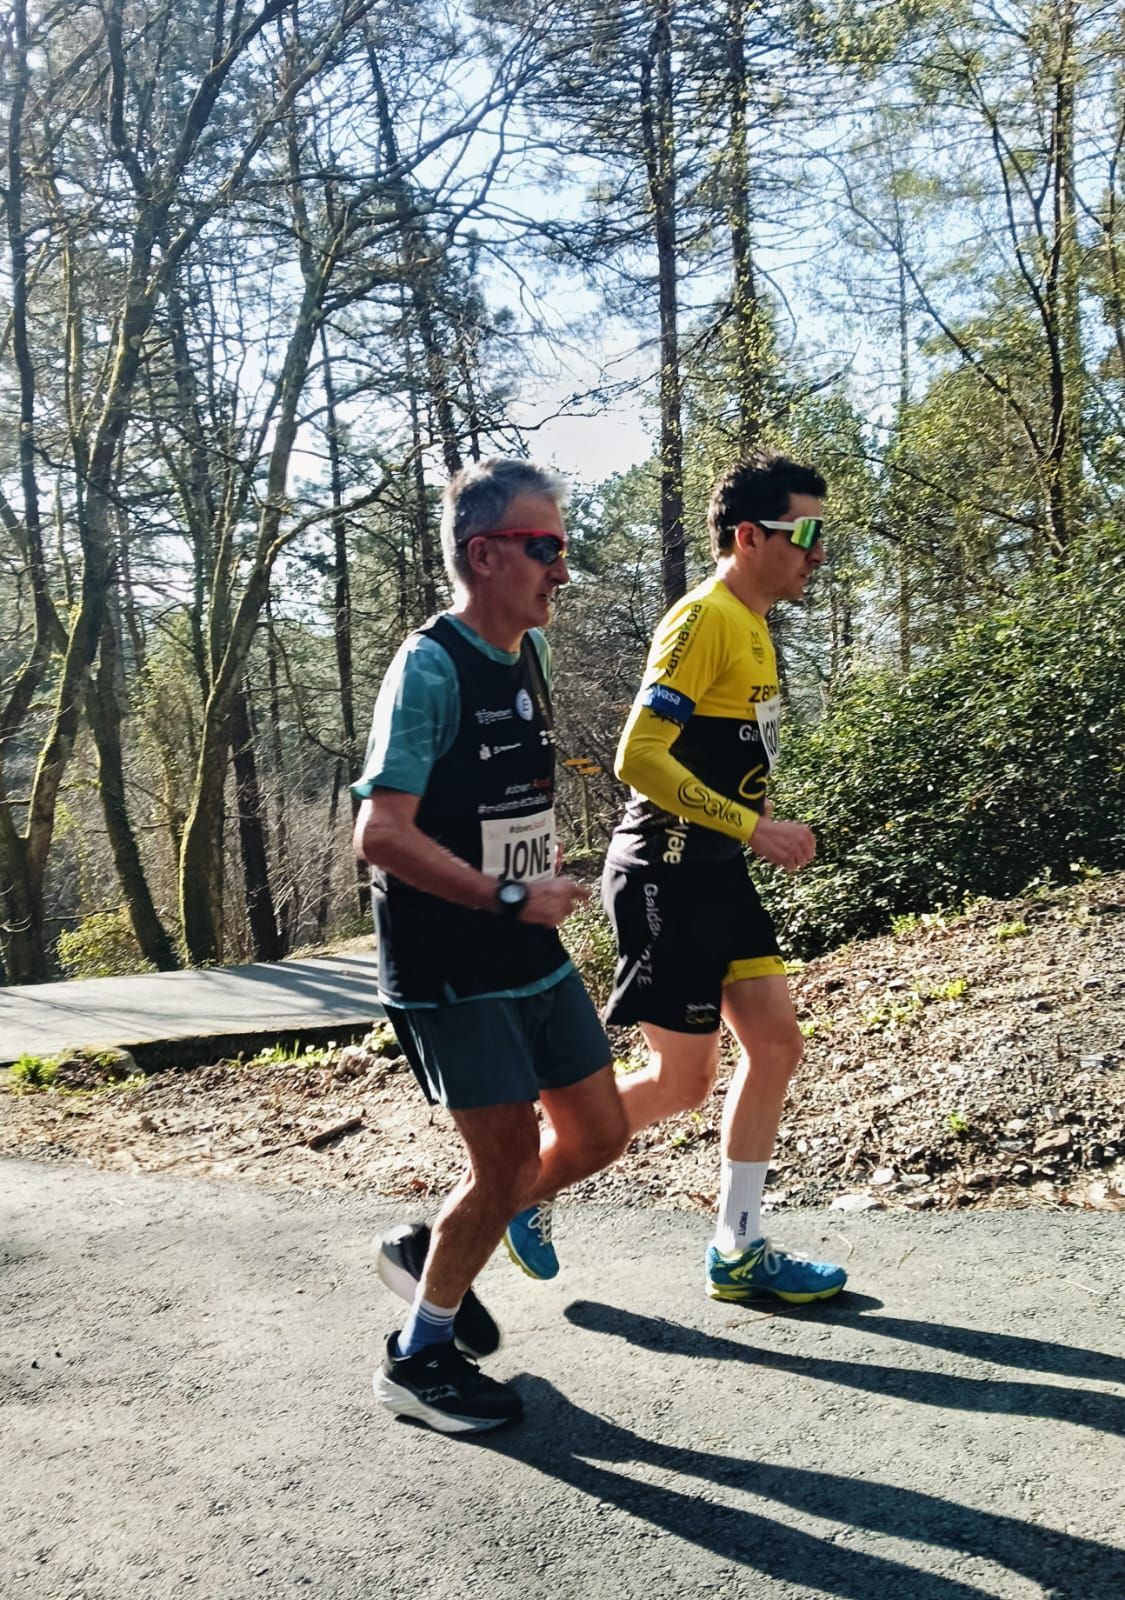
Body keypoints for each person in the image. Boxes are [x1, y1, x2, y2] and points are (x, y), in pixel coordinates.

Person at [352, 456, 627, 1435]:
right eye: (543, 546)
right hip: (451, 963)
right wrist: (508, 893)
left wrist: (530, 872)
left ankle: (437, 1246)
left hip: (526, 943)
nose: (562, 568)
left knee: (599, 1132)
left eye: (563, 545)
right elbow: (380, 833)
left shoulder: (529, 654)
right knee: (505, 1162)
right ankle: (418, 1359)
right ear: (483, 554)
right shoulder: (428, 668)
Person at [600, 452, 848, 1305]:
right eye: (804, 534)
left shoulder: (751, 624)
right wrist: (753, 826)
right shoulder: (703, 617)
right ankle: (524, 1172)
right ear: (748, 536)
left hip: (714, 870)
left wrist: (750, 819)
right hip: (665, 871)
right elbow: (638, 757)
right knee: (681, 1082)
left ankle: (737, 1249)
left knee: (775, 1045)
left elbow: (722, 750)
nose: (818, 552)